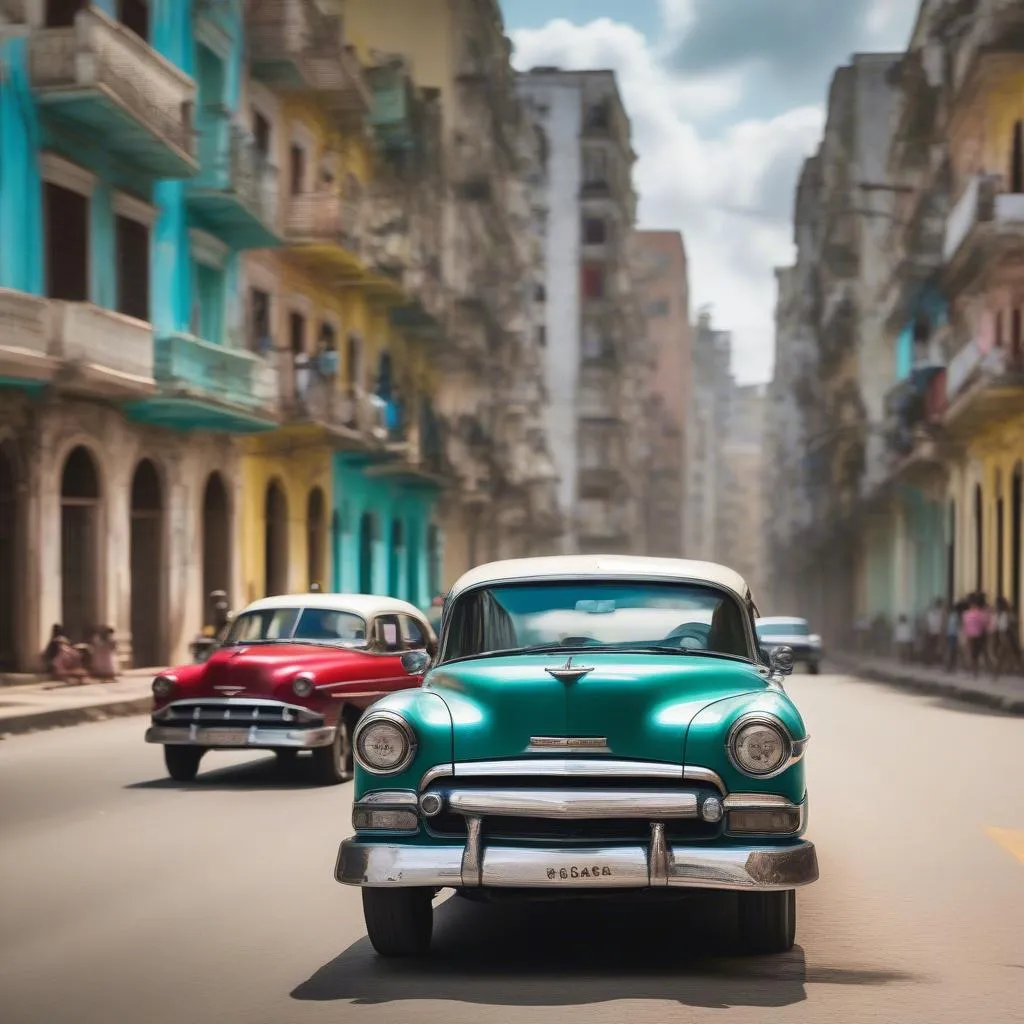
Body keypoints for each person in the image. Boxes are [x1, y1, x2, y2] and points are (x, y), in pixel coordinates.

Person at [961, 595, 989, 677]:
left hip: (971, 636)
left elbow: (965, 626)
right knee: (978, 654)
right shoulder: (981, 613)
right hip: (978, 636)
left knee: (973, 655)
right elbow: (985, 624)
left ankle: (974, 671)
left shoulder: (966, 614)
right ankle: (977, 671)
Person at [925, 598, 944, 665]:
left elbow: (928, 622)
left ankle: (931, 661)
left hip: (932, 631)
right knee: (936, 647)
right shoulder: (941, 612)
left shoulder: (931, 612)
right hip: (937, 632)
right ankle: (933, 660)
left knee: (932, 647)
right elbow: (941, 623)